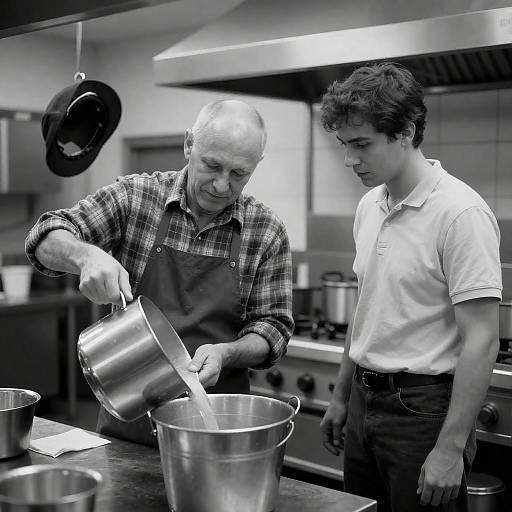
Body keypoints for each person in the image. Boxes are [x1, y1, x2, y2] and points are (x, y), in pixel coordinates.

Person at [25, 99, 294, 446]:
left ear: (257, 165)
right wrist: (86, 256)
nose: (221, 186)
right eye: (212, 165)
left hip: (213, 429)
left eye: (239, 174)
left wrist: (226, 353)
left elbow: (273, 329)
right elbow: (44, 237)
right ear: (188, 144)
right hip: (129, 424)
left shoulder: (267, 230)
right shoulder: (135, 198)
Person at [319, 62, 501, 512]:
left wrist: (450, 448)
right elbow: (366, 309)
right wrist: (341, 396)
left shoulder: (460, 214)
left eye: (361, 144)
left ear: (406, 131)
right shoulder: (369, 204)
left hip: (423, 412)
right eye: (344, 145)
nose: (349, 160)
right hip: (363, 402)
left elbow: (483, 338)